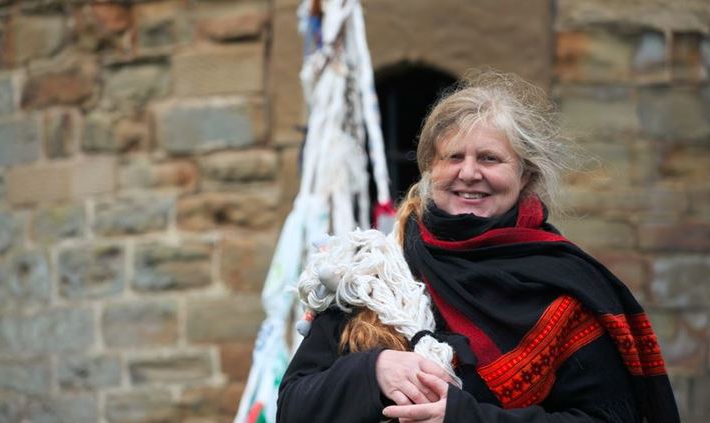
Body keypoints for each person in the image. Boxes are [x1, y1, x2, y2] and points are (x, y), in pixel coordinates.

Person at [276, 71, 680, 422]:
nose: (469, 174)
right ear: (431, 170)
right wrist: (374, 370)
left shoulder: (566, 290)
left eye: (490, 158)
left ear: (525, 175)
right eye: (453, 157)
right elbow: (292, 407)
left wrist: (464, 418)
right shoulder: (375, 272)